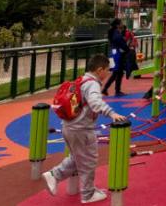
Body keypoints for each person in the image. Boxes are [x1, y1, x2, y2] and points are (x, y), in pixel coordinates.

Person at [43, 54, 127, 203]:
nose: (108, 73)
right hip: (81, 129)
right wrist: (111, 113)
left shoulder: (81, 80)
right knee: (88, 160)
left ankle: (55, 175)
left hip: (69, 127)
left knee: (78, 158)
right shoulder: (93, 84)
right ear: (100, 70)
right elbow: (95, 103)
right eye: (107, 70)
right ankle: (87, 194)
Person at [102, 19, 128, 97]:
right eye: (121, 23)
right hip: (117, 55)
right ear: (117, 25)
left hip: (112, 54)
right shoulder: (116, 34)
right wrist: (127, 50)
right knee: (118, 73)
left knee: (116, 73)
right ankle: (116, 90)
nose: (122, 24)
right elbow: (122, 43)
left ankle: (107, 89)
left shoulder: (113, 33)